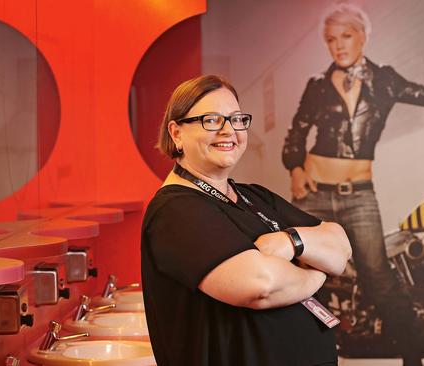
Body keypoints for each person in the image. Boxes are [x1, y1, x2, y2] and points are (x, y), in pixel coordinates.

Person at [281, 4, 424, 366]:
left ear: (363, 36)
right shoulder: (317, 86)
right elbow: (295, 136)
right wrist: (295, 169)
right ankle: (314, 354)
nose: (338, 46)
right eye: (331, 40)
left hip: (359, 198)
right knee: (302, 278)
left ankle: (412, 358)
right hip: (314, 197)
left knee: (379, 278)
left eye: (346, 36)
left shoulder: (385, 80)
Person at [141, 75, 352, 366]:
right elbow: (260, 286)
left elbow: (339, 246)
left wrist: (291, 243)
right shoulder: (175, 209)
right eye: (212, 120)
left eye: (237, 119)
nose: (229, 131)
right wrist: (316, 273)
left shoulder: (254, 196)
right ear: (176, 133)